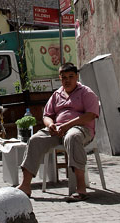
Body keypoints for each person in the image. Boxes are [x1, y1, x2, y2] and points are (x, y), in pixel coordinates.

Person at [17, 62, 100, 201]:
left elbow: (91, 115)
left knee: (72, 137)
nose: (67, 80)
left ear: (77, 77)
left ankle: (81, 188)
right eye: (64, 77)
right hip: (59, 130)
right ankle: (25, 186)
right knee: (35, 140)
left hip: (81, 129)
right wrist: (50, 125)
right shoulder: (57, 95)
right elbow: (47, 115)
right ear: (60, 78)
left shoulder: (86, 92)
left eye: (70, 77)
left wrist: (68, 125)